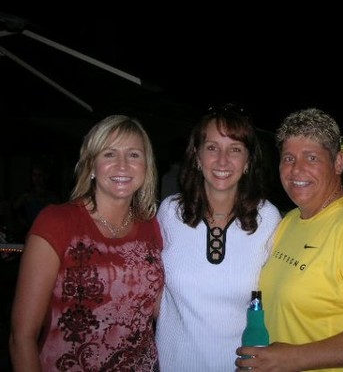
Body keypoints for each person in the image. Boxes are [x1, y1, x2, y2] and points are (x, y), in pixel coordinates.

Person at [236, 108, 343, 371]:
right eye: (288, 158)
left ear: (338, 163)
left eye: (311, 157)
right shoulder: (289, 221)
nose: (297, 169)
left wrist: (291, 358)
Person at [9, 115, 164, 371]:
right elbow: (22, 337)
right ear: (91, 165)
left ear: (146, 166)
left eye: (134, 155)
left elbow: (159, 308)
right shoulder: (57, 222)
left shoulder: (152, 227)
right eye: (110, 154)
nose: (123, 165)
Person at [155, 103, 282, 371]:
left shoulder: (268, 218)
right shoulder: (169, 212)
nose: (222, 160)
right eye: (212, 147)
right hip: (173, 364)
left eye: (235, 149)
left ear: (248, 161)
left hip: (239, 366)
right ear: (197, 156)